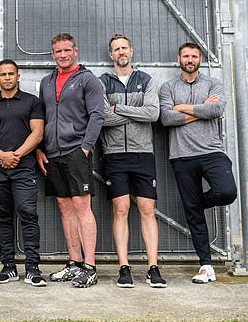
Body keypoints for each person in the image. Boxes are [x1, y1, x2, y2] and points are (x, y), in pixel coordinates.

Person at [159, 42, 237, 284]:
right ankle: (206, 265)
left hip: (211, 151)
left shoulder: (213, 83)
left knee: (226, 192)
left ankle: (198, 204)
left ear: (200, 58)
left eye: (194, 56)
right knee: (194, 213)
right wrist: (200, 110)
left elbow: (217, 109)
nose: (190, 59)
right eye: (186, 56)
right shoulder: (168, 87)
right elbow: (166, 118)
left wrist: (183, 108)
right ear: (179, 58)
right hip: (181, 155)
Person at [36, 33, 104, 288]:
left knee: (81, 207)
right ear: (52, 54)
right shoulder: (46, 81)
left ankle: (90, 267)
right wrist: (40, 149)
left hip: (76, 151)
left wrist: (85, 148)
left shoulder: (87, 79)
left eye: (66, 50)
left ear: (75, 51)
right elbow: (41, 118)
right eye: (57, 52)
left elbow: (97, 115)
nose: (62, 55)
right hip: (52, 153)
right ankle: (74, 263)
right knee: (65, 207)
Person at [99, 34, 166, 288]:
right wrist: (133, 113)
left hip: (143, 154)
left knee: (147, 209)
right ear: (111, 55)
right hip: (114, 154)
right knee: (121, 209)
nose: (120, 52)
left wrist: (119, 109)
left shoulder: (146, 80)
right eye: (116, 49)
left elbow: (152, 114)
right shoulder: (102, 82)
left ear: (132, 51)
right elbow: (102, 118)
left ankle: (153, 268)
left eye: (124, 48)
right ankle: (124, 268)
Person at [0, 59, 46, 286]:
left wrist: (15, 155)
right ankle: (8, 268)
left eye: (11, 74)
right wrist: (2, 156)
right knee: (3, 217)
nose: (7, 78)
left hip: (24, 167)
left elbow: (37, 134)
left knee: (28, 214)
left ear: (18, 76)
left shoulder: (32, 102)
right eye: (3, 74)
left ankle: (32, 268)